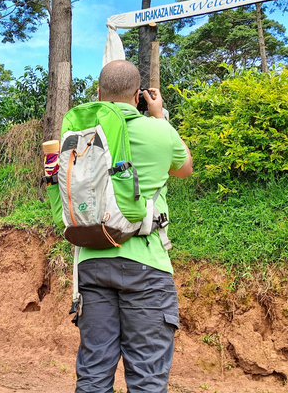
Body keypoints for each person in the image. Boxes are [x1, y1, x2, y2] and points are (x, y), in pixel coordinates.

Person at [74, 59, 193, 393]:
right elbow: (185, 168)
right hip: (147, 263)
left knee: (94, 372)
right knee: (147, 376)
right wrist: (159, 115)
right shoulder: (159, 131)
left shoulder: (82, 134)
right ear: (138, 96)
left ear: (98, 94)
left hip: (92, 260)